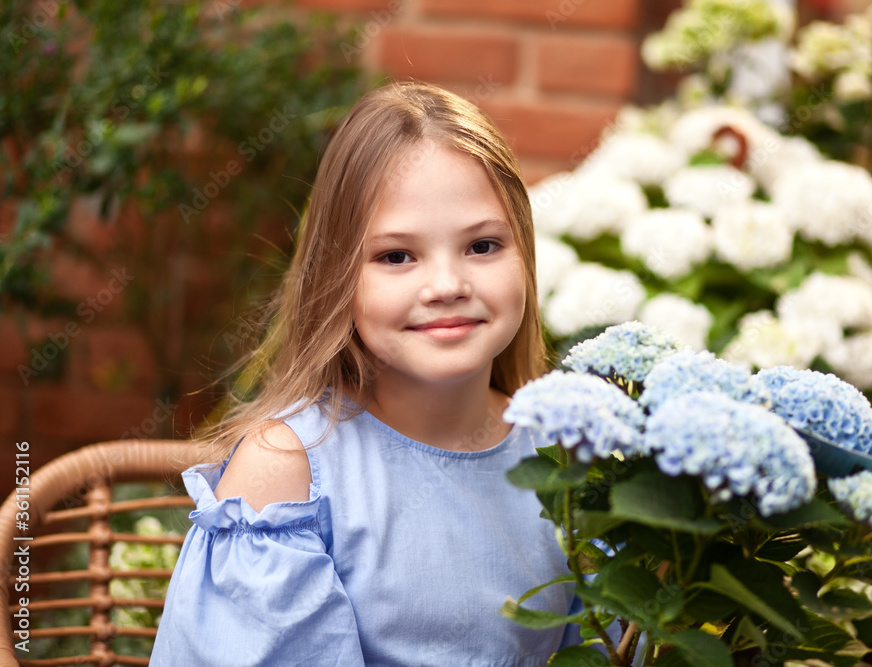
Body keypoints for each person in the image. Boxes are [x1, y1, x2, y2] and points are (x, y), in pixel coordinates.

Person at [150, 81, 581, 665]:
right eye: (396, 256)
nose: (448, 286)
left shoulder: (561, 453)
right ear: (338, 275)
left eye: (482, 246)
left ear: (524, 255)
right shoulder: (286, 475)